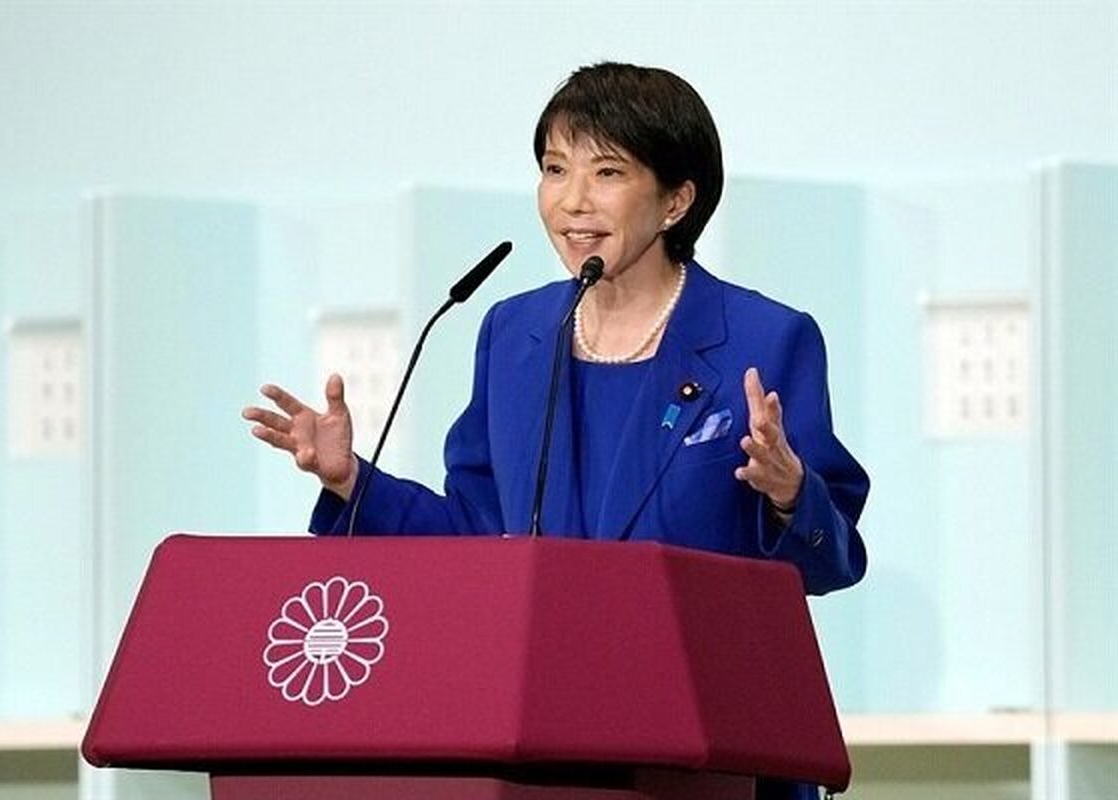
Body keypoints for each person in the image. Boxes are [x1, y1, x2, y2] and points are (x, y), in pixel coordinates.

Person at [243, 62, 868, 800]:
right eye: (554, 169)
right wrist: (352, 480)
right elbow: (477, 538)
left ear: (676, 200)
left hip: (711, 755)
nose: (573, 201)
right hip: (543, 748)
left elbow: (833, 560)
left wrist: (791, 493)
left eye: (608, 172)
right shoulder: (513, 335)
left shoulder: (766, 340)